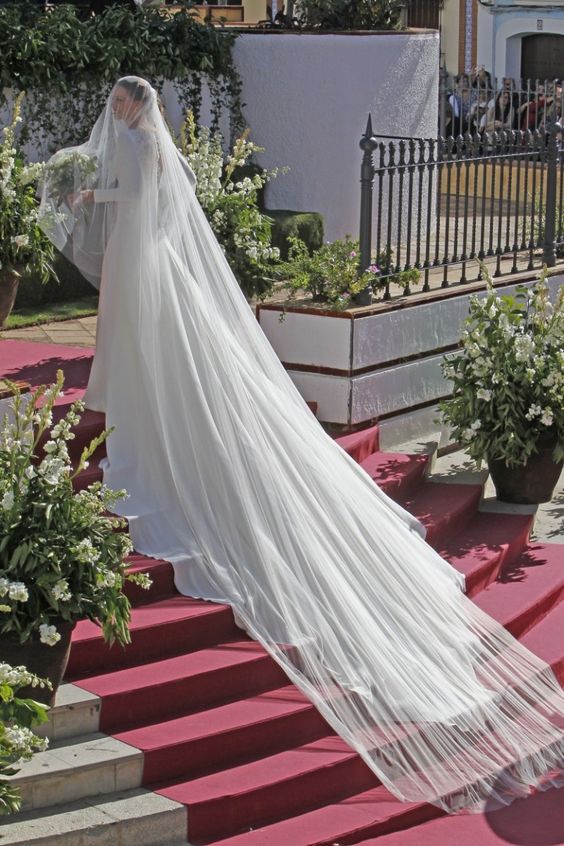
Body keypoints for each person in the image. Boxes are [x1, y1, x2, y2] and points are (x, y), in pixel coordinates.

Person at [39, 76, 564, 816]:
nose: (115, 113)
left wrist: (84, 194)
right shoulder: (153, 146)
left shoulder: (138, 146)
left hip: (141, 261)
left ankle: (131, 409)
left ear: (132, 105)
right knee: (134, 341)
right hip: (144, 260)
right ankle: (123, 399)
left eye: (119, 103)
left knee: (137, 341)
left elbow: (127, 197)